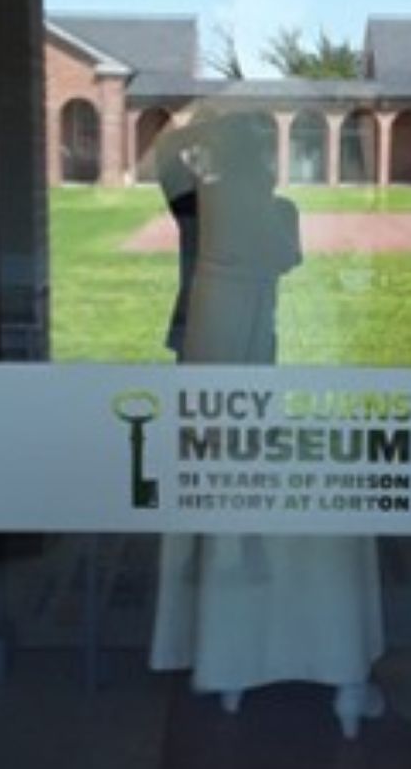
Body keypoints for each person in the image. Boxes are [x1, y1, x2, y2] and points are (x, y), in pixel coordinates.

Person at [149, 109, 385, 737]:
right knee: (224, 439)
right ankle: (227, 549)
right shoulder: (248, 205)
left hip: (226, 325)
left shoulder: (210, 202)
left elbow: (166, 161)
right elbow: (284, 254)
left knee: (221, 441)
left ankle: (222, 550)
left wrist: (198, 136)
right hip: (230, 325)